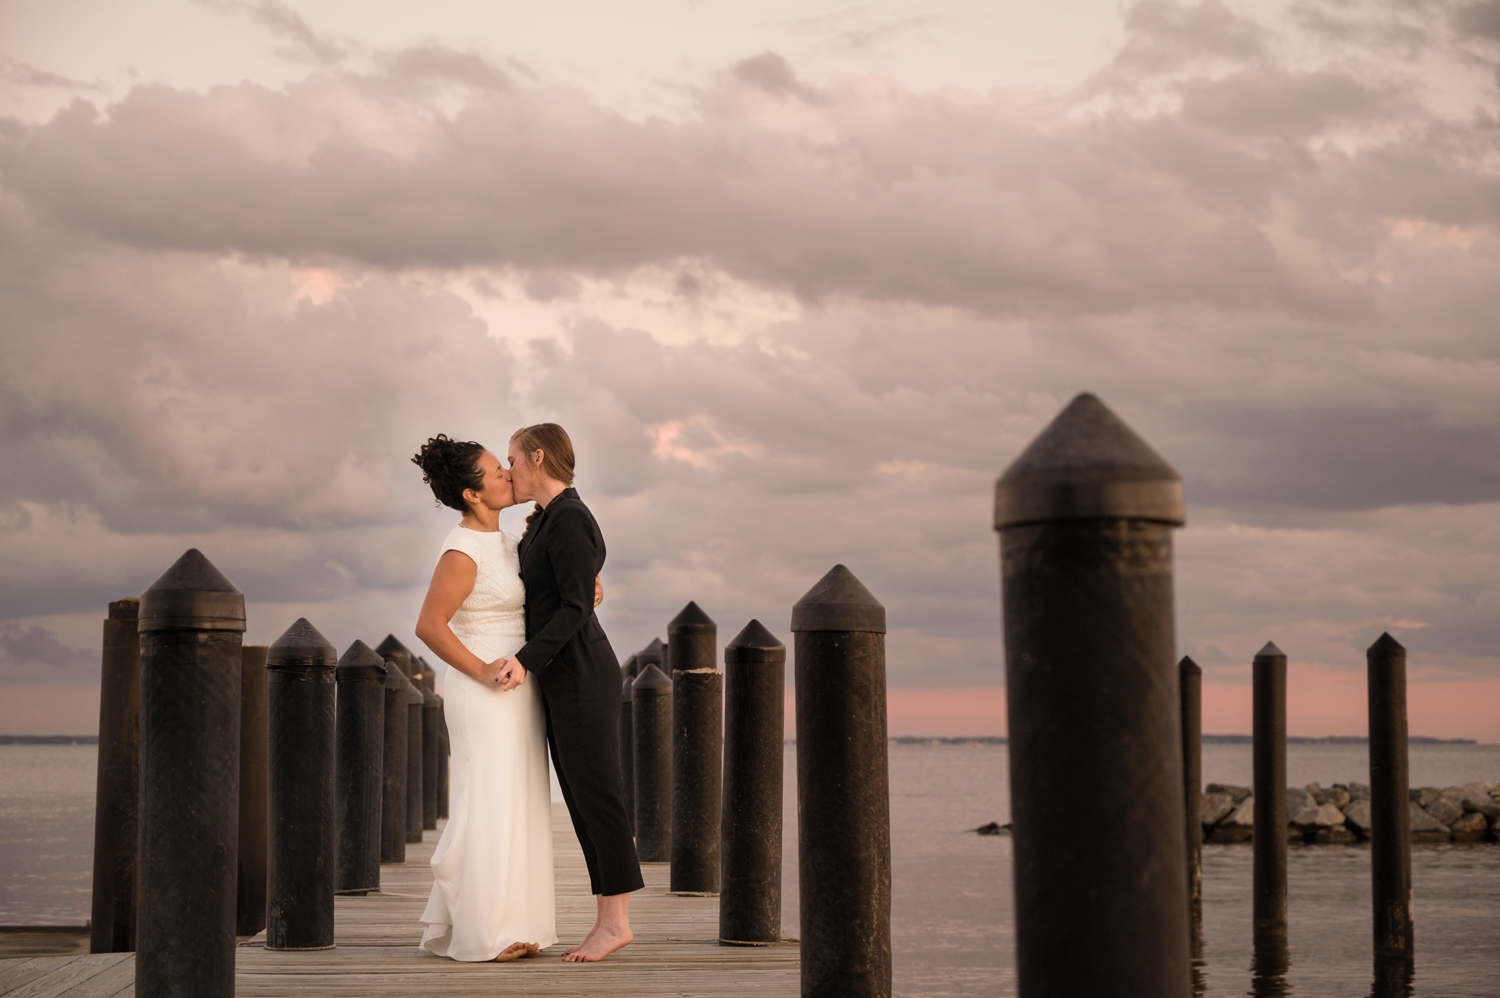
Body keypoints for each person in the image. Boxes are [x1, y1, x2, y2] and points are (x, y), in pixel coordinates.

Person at [410, 433, 574, 962]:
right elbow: (429, 626)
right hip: (482, 691)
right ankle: (486, 931)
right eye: (495, 472)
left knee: (518, 801)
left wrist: (587, 589)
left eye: (506, 466)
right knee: (487, 801)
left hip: (518, 689)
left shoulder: (509, 543)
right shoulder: (461, 551)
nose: (509, 474)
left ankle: (516, 924)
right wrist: (481, 669)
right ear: (471, 495)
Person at [490, 422, 643, 962]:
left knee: (598, 795)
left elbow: (577, 608)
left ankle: (615, 922)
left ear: (537, 457)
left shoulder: (570, 517)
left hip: (582, 673)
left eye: (512, 458)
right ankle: (608, 918)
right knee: (579, 798)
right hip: (564, 675)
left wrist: (523, 661)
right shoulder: (549, 520)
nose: (507, 470)